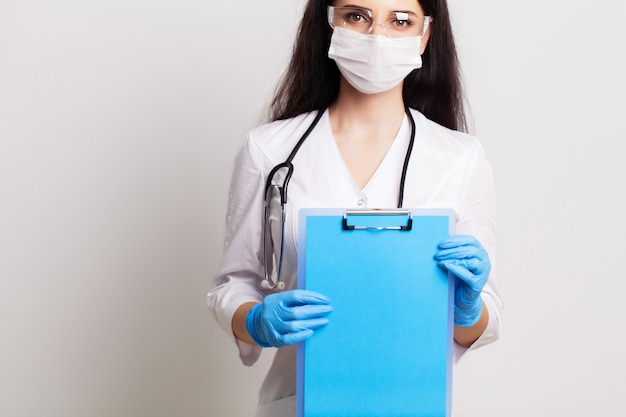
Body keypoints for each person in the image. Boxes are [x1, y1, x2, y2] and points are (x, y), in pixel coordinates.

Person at [207, 0, 503, 416]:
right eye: (356, 16)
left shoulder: (460, 158)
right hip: (296, 405)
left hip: (412, 404)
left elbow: (482, 323)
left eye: (401, 21)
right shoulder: (270, 151)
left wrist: (468, 305)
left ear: (425, 36)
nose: (377, 37)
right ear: (329, 24)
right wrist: (255, 319)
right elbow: (232, 284)